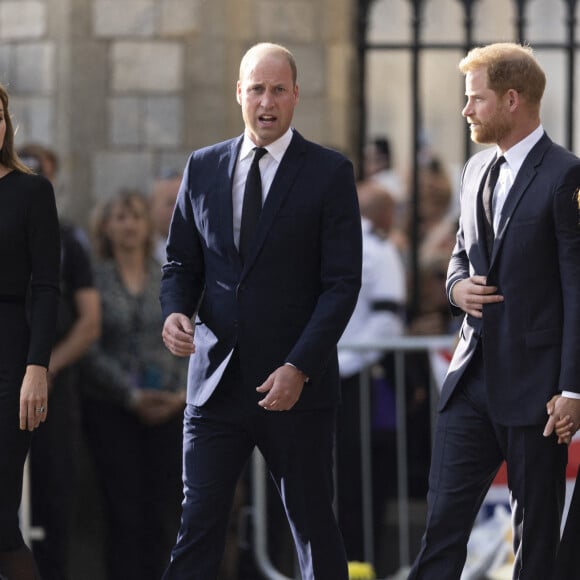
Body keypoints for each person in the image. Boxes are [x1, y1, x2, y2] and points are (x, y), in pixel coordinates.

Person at [159, 42, 362, 580]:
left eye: (277, 90)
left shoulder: (329, 172)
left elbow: (341, 286)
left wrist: (300, 367)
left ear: (296, 95)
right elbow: (181, 261)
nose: (266, 101)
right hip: (214, 384)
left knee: (313, 527)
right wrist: (175, 311)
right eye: (256, 89)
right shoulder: (202, 167)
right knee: (198, 525)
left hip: (295, 386)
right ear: (239, 94)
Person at [408, 42, 580, 580]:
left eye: (475, 99)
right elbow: (461, 255)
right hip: (471, 381)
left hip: (537, 390)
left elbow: (578, 289)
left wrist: (573, 389)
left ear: (511, 99)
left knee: (535, 540)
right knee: (441, 527)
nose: (466, 111)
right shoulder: (475, 169)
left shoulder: (566, 176)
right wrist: (456, 287)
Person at [82, 190, 187, 580]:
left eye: (137, 217)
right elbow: (89, 346)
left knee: (164, 510)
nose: (129, 225)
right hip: (112, 408)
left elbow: (189, 335)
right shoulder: (95, 277)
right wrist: (129, 396)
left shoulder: (169, 274)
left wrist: (179, 395)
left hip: (169, 409)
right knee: (123, 510)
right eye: (121, 217)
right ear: (106, 226)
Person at [18, 143, 101, 580]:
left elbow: (89, 321)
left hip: (54, 394)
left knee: (54, 502)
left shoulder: (69, 240)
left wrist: (42, 368)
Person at [0, 84, 61, 579]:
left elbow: (46, 288)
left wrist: (36, 367)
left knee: (0, 520)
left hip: (9, 359)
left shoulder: (32, 191)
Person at [336, 180, 405, 563]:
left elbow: (387, 323)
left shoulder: (376, 253)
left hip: (353, 381)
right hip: (336, 374)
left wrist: (337, 363)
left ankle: (357, 565)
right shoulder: (375, 251)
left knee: (356, 480)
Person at [150, 169, 182, 265]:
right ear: (151, 205)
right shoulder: (139, 252)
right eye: (171, 204)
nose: (178, 211)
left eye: (183, 204)